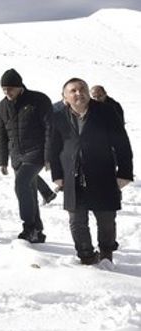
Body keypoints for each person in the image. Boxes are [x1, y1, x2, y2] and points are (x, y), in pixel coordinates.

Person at [50, 78, 133, 264]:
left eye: (82, 89)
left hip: (102, 172)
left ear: (88, 92)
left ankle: (105, 254)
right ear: (65, 96)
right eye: (73, 91)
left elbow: (122, 143)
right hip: (73, 175)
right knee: (76, 221)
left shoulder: (105, 111)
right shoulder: (58, 115)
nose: (78, 93)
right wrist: (57, 174)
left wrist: (125, 172)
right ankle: (86, 256)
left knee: (106, 219)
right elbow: (53, 146)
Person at [0, 69, 53, 243]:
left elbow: (50, 129)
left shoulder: (38, 100)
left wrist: (48, 155)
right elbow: (2, 134)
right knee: (28, 191)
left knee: (21, 184)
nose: (7, 92)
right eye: (4, 89)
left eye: (11, 88)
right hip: (16, 155)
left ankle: (28, 227)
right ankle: (37, 231)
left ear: (20, 86)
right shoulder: (2, 105)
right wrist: (2, 160)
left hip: (36, 151)